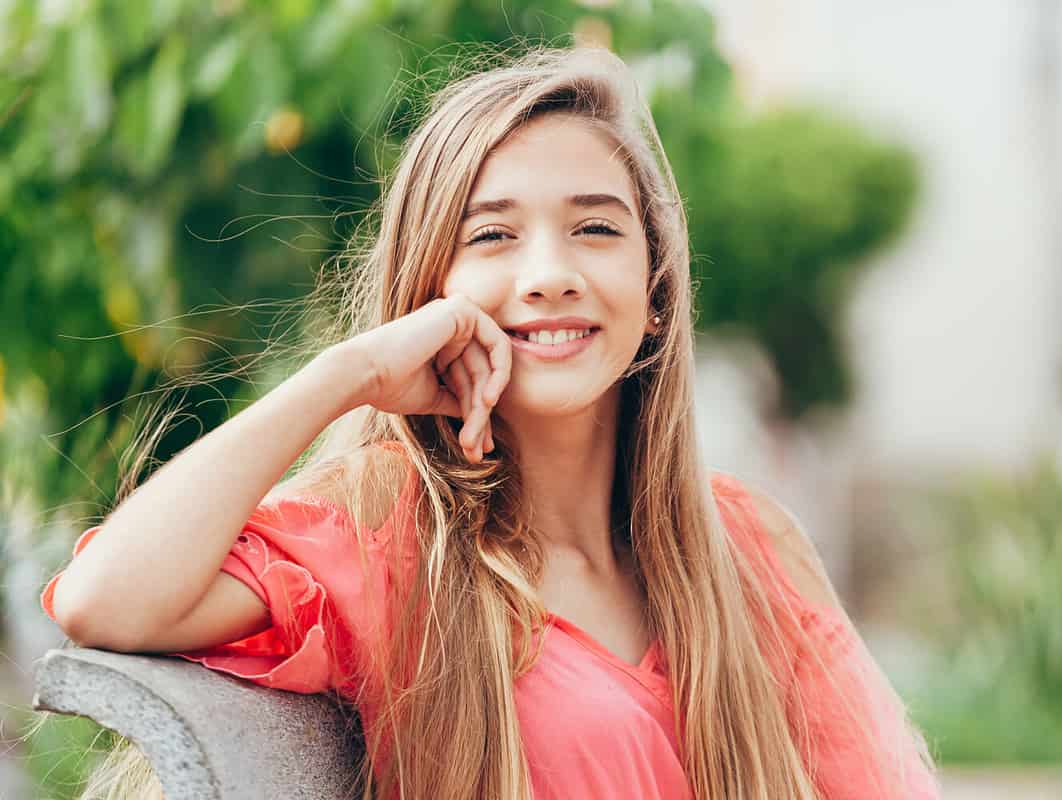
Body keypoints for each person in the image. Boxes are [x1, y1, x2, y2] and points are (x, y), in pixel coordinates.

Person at [39, 45, 939, 800]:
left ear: (656, 293)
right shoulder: (391, 539)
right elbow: (99, 602)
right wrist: (347, 373)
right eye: (493, 236)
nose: (549, 272)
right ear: (432, 293)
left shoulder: (745, 548)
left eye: (595, 230)